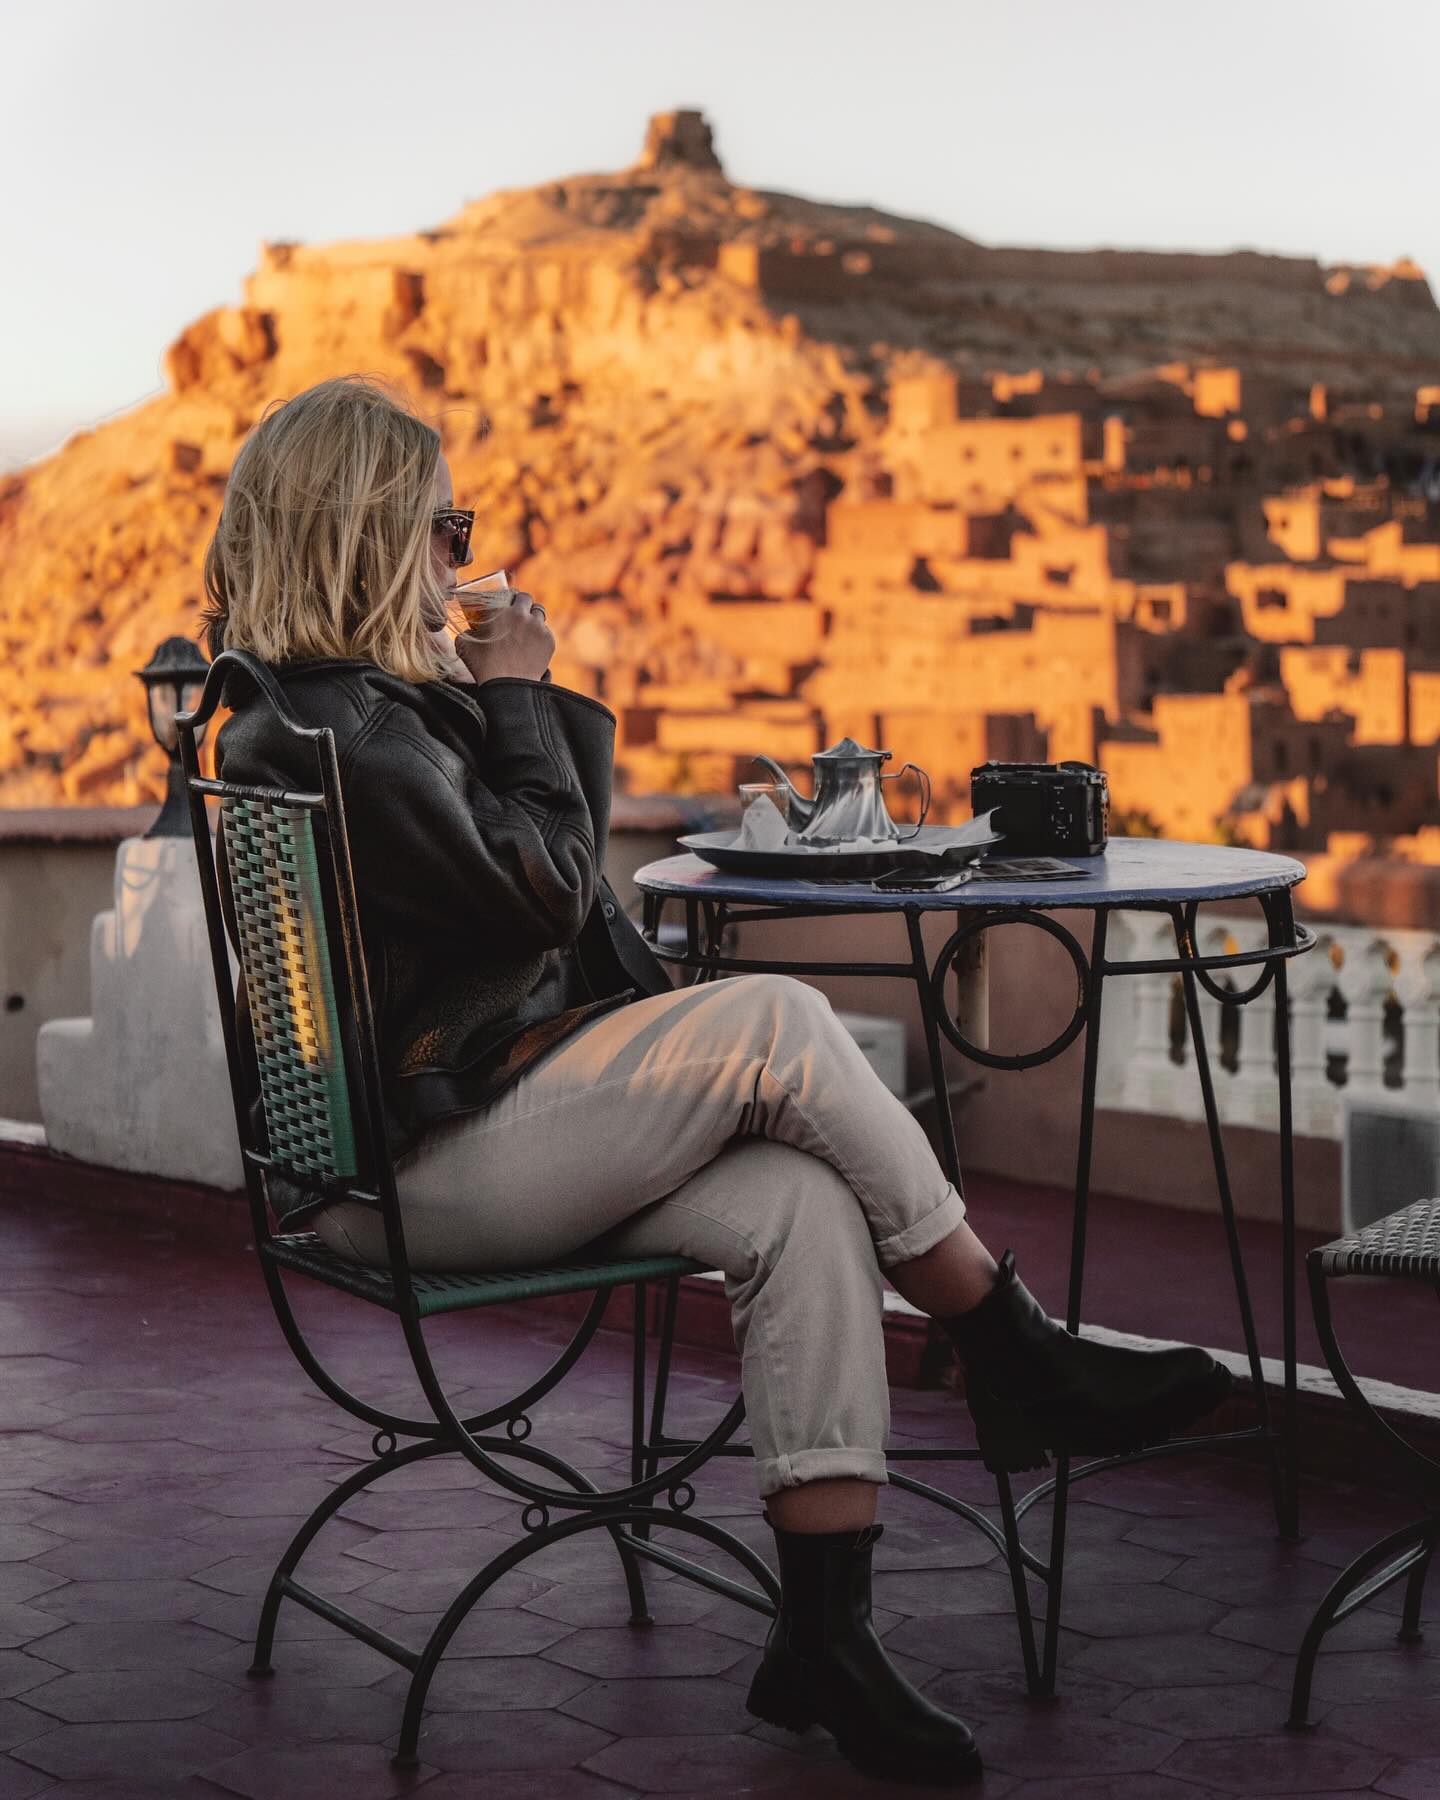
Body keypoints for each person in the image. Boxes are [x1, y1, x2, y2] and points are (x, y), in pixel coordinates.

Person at [202, 375, 1231, 1789]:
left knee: (799, 1199)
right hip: (407, 1175)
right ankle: (1012, 1349)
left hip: (445, 1131)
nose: (461, 557)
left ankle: (826, 1637)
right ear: (370, 533)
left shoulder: (327, 715)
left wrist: (487, 703)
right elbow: (552, 891)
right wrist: (519, 694)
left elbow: (524, 902)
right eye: (446, 528)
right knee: (780, 1024)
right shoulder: (358, 738)